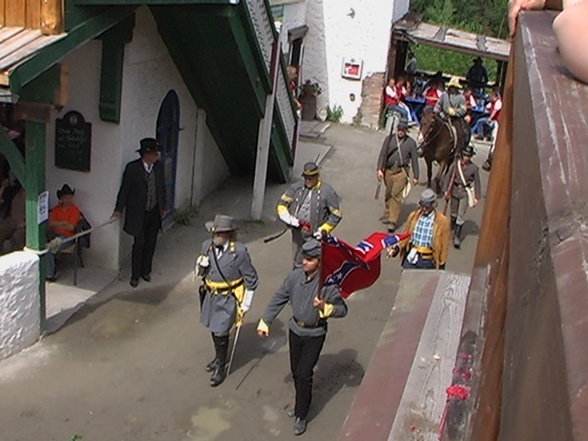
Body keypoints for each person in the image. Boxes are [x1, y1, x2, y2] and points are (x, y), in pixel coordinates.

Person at [256, 239, 347, 436]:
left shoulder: (328, 284)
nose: (303, 262)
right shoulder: (294, 277)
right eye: (303, 258)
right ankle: (300, 403)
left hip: (315, 334)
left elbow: (342, 310)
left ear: (319, 261)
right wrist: (266, 320)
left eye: (308, 259)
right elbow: (279, 297)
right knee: (296, 371)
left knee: (305, 373)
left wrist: (325, 307)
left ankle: (301, 414)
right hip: (295, 330)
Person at [194, 214, 258, 387]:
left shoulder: (239, 252)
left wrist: (246, 303)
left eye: (219, 234)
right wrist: (201, 266)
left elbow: (252, 279)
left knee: (221, 331)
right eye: (214, 233)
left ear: (228, 234)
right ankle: (217, 357)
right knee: (214, 329)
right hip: (210, 294)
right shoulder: (207, 247)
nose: (215, 237)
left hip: (228, 298)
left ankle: (220, 367)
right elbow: (200, 273)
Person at [112, 138, 167, 288]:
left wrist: (163, 206)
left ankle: (146, 271)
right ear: (146, 154)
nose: (157, 156)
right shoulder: (133, 169)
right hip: (138, 213)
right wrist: (119, 209)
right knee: (139, 244)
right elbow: (124, 190)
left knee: (151, 242)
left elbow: (161, 188)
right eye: (155, 153)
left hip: (154, 211)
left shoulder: (159, 168)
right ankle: (135, 275)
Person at [276, 161, 342, 268]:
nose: (308, 180)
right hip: (298, 232)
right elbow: (282, 204)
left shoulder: (327, 192)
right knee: (298, 260)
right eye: (306, 177)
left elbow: (336, 215)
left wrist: (324, 229)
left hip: (315, 234)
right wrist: (288, 218)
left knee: (314, 262)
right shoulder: (296, 188)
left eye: (311, 178)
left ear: (317, 176)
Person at [376, 119, 419, 233]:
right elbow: (382, 154)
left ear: (406, 131)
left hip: (401, 172)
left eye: (403, 130)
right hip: (388, 171)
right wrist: (379, 169)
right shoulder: (389, 139)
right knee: (389, 193)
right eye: (399, 130)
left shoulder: (411, 143)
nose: (401, 132)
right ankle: (388, 212)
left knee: (396, 195)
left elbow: (414, 160)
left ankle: (392, 220)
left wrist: (416, 176)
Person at [393, 188, 451, 270]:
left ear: (433, 205)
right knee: (406, 281)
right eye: (422, 206)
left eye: (427, 207)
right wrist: (397, 248)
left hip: (428, 260)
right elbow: (406, 234)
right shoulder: (413, 216)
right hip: (412, 257)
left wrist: (442, 263)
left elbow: (444, 245)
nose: (424, 209)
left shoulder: (442, 222)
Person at [443, 145, 481, 249]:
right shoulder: (456, 165)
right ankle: (451, 231)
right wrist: (446, 190)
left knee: (460, 215)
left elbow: (477, 183)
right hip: (454, 190)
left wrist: (477, 196)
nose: (466, 158)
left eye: (468, 156)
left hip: (465, 192)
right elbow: (448, 177)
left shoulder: (474, 168)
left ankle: (457, 236)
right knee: (453, 213)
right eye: (464, 155)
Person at [46, 184, 83, 281]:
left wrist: (57, 224)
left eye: (70, 197)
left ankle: (51, 274)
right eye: (66, 197)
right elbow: (50, 223)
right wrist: (63, 222)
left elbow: (71, 227)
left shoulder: (75, 210)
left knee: (49, 248)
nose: (68, 200)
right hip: (53, 235)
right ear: (61, 198)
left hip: (68, 237)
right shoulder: (56, 209)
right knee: (43, 245)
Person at [434, 76, 469, 152]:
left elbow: (463, 109)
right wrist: (437, 112)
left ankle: (459, 150)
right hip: (442, 116)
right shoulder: (444, 95)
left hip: (455, 119)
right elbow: (438, 104)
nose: (452, 88)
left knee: (460, 133)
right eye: (452, 86)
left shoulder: (461, 97)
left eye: (454, 87)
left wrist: (455, 112)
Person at [0, 181, 25, 254]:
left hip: (24, 224)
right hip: (11, 220)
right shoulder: (13, 191)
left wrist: (25, 224)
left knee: (17, 237)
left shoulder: (34, 196)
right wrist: (3, 187)